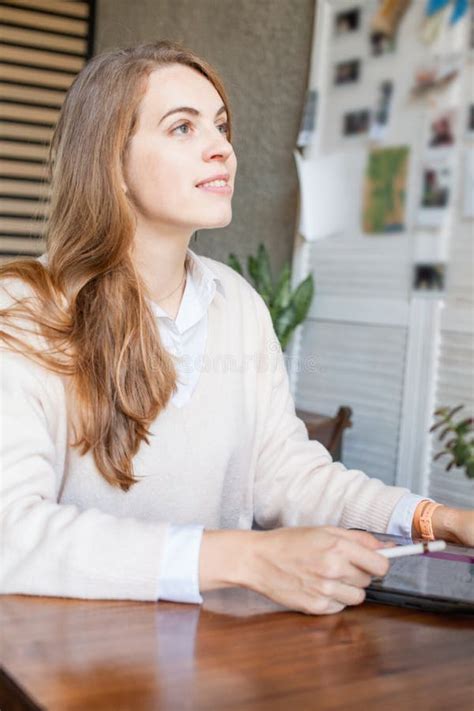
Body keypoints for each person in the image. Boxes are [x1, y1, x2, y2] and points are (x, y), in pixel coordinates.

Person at [1, 40, 472, 617]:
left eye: (221, 127)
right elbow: (10, 533)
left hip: (211, 661)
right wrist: (243, 559)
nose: (221, 148)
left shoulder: (239, 304)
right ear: (111, 163)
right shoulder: (23, 312)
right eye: (182, 128)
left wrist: (436, 519)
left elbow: (285, 475)